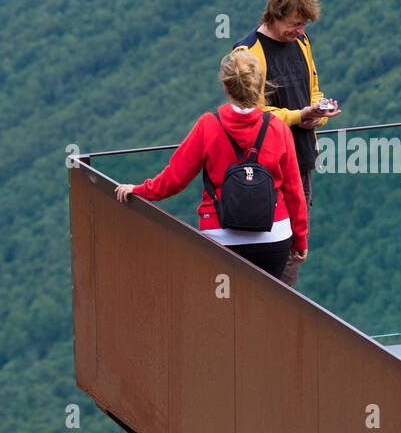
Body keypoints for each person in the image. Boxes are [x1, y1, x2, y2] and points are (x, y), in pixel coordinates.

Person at [115, 50, 308, 279]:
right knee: (264, 308)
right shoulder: (278, 128)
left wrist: (139, 190)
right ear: (259, 89)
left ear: (226, 87)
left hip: (221, 237)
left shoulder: (209, 125)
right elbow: (294, 191)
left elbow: (174, 180)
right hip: (273, 236)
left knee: (221, 308)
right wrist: (300, 238)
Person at [233, 0, 340, 287]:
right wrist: (298, 116)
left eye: (304, 24)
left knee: (294, 249)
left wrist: (319, 112)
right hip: (262, 169)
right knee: (265, 251)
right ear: (276, 14)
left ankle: (278, 312)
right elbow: (249, 113)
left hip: (300, 162)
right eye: (295, 23)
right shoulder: (248, 53)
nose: (300, 30)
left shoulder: (302, 43)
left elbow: (313, 89)